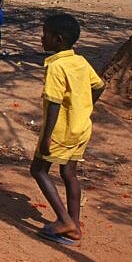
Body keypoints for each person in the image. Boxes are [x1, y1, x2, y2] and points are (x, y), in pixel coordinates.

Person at [30, 13, 105, 245]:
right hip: (81, 128)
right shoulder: (80, 61)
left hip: (60, 131)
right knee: (69, 173)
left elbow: (53, 102)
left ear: (58, 39)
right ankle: (75, 225)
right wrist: (83, 107)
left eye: (45, 35)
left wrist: (47, 136)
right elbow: (99, 85)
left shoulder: (56, 66)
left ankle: (65, 220)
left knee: (39, 170)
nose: (42, 39)